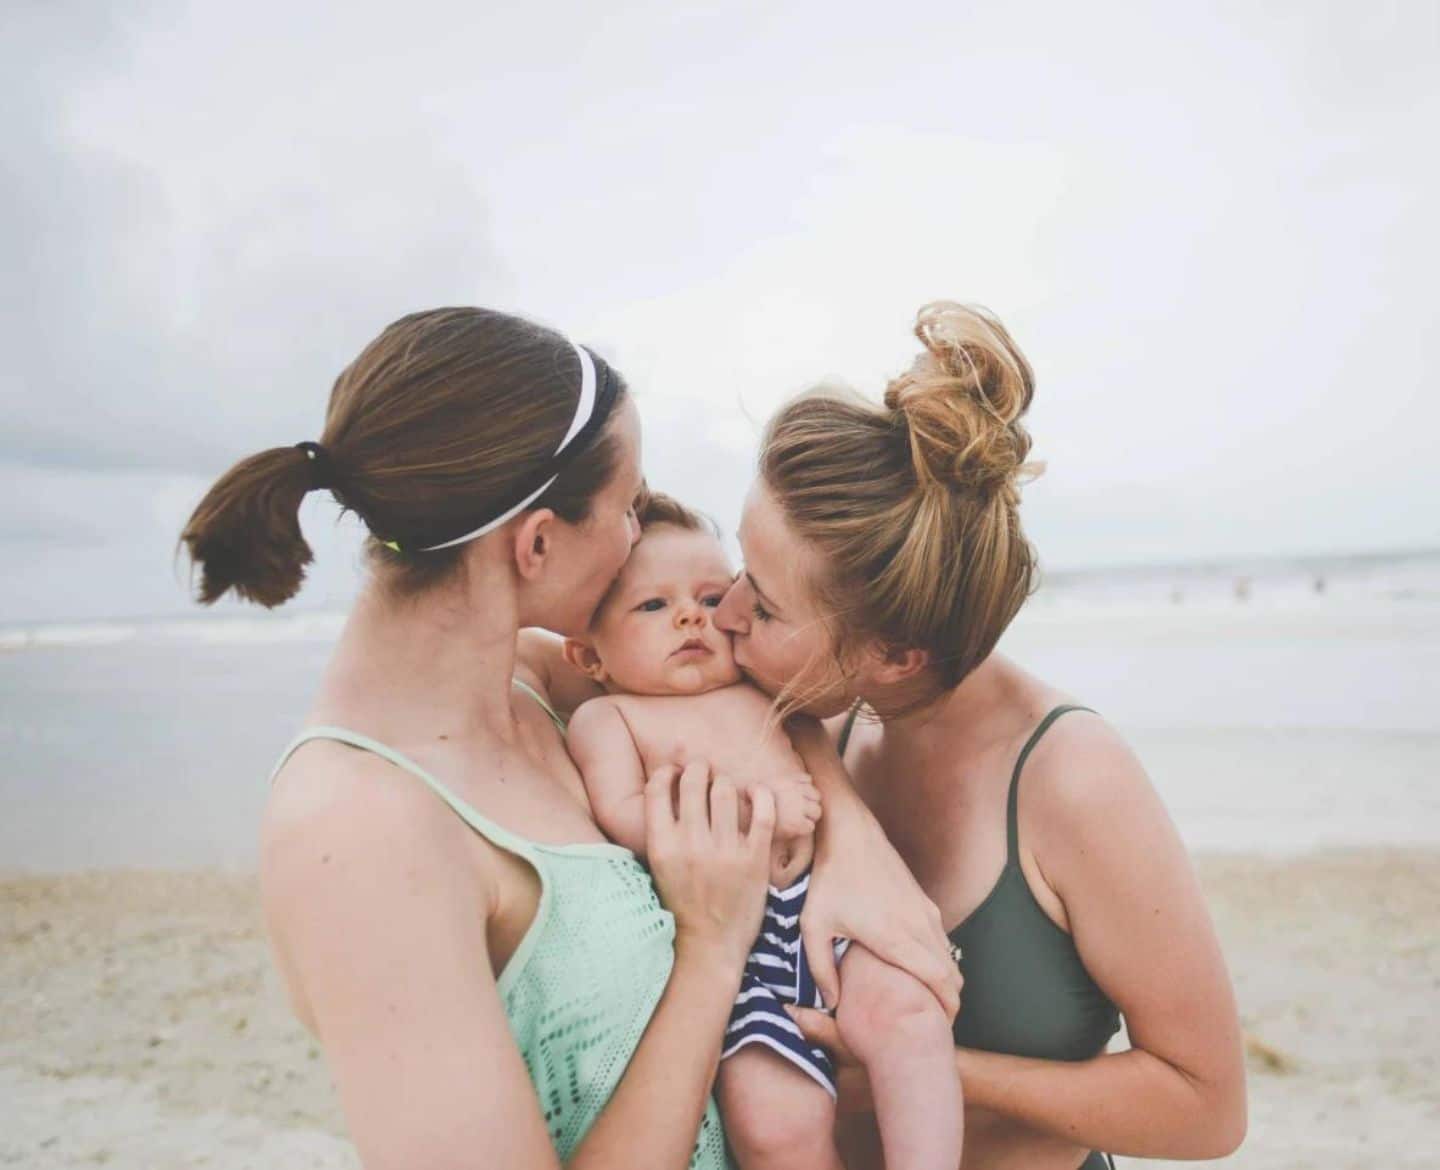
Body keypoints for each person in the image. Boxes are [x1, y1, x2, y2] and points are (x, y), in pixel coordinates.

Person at [177, 307, 960, 1169]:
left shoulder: (534, 680)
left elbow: (740, 711)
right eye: (628, 508)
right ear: (539, 544)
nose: (639, 537)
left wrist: (852, 839)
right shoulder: (357, 831)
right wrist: (709, 947)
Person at [713, 301, 1248, 1170]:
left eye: (765, 606)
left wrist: (923, 1064)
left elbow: (1206, 1109)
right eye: (740, 568)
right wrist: (846, 824)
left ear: (894, 653)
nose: (724, 613)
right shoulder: (818, 717)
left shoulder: (1072, 779)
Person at [562, 492, 961, 1170]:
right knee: (775, 1124)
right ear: (589, 657)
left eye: (712, 599)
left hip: (826, 915)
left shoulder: (765, 691)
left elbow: (822, 757)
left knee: (910, 1024)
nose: (691, 616)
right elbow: (622, 815)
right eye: (652, 606)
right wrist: (744, 810)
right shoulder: (612, 720)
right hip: (738, 948)